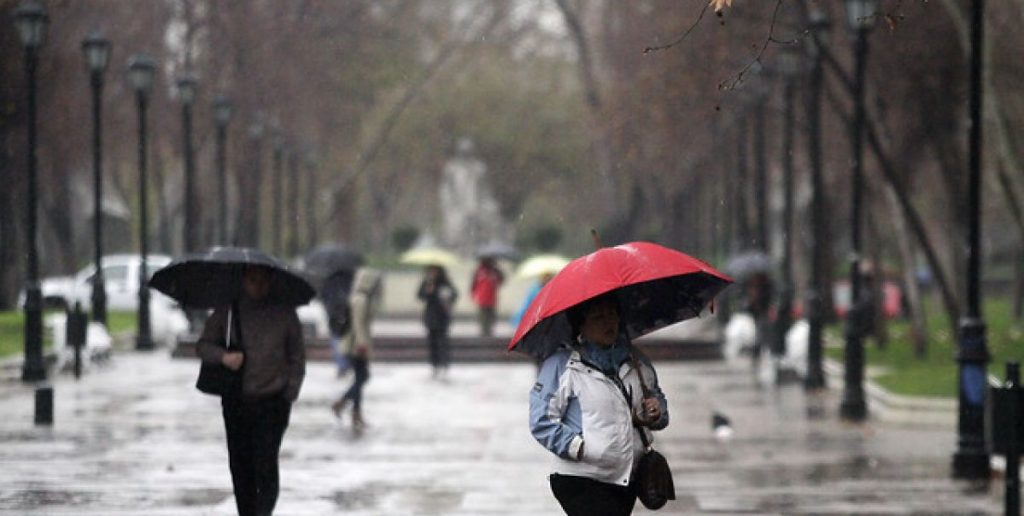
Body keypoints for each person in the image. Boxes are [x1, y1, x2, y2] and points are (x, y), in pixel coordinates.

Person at [529, 293, 669, 516]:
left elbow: (657, 398)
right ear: (581, 326)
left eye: (612, 315)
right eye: (598, 317)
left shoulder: (636, 361)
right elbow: (541, 421)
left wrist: (657, 411)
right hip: (581, 478)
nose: (608, 322)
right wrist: (581, 448)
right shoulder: (561, 365)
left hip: (626, 478)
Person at [196, 265, 305, 516]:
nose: (258, 286)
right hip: (237, 401)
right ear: (243, 281)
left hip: (273, 401)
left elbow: (297, 356)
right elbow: (203, 346)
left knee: (266, 464)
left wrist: (290, 391)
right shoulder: (229, 311)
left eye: (263, 281)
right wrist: (223, 357)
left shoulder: (284, 313)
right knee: (241, 464)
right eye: (252, 280)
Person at [331, 267, 382, 429]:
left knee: (360, 377)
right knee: (363, 377)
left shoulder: (359, 297)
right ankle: (343, 403)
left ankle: (355, 412)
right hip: (356, 345)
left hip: (356, 344)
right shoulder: (361, 299)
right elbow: (359, 324)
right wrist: (362, 344)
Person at [417, 265, 458, 378]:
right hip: (430, 316)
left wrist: (447, 297)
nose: (433, 273)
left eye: (435, 271)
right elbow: (420, 296)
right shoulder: (427, 283)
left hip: (442, 316)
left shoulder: (445, 283)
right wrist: (428, 292)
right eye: (431, 270)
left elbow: (454, 295)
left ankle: (445, 363)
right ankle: (434, 364)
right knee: (432, 342)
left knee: (443, 341)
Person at [321, 270, 355, 377]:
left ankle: (342, 366)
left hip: (333, 314)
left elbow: (323, 297)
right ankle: (346, 363)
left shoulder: (328, 281)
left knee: (336, 339)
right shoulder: (350, 279)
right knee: (347, 339)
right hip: (347, 313)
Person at [470, 257, 504, 336]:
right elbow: (474, 283)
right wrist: (473, 294)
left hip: (492, 297)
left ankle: (489, 329)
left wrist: (497, 269)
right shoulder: (479, 271)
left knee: (491, 314)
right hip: (482, 296)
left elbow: (502, 279)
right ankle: (484, 330)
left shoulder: (494, 271)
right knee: (483, 314)